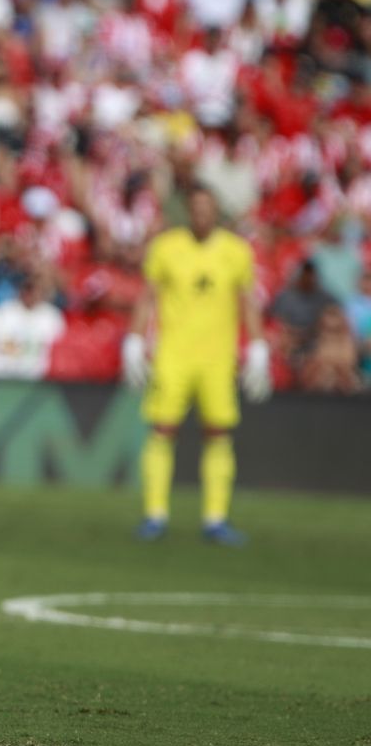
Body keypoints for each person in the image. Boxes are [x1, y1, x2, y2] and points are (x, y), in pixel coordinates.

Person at [121, 185, 269, 546]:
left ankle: (215, 518)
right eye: (196, 207)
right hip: (173, 353)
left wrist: (259, 345)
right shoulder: (166, 247)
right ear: (188, 210)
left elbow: (247, 299)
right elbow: (148, 296)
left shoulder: (236, 251)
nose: (201, 214)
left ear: (217, 211)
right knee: (162, 429)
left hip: (218, 357)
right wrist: (135, 339)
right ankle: (155, 514)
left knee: (218, 432)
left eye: (208, 207)